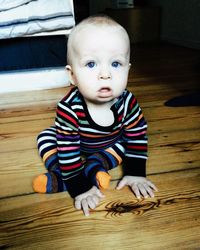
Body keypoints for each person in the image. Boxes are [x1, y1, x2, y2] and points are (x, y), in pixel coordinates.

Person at [33, 14, 157, 216]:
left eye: (116, 64)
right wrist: (79, 187)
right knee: (46, 137)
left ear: (128, 69)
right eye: (91, 64)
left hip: (110, 144)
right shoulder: (69, 108)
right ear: (72, 75)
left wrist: (136, 173)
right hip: (74, 146)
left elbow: (136, 136)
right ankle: (63, 174)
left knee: (126, 143)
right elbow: (68, 149)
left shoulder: (127, 102)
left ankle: (94, 165)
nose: (105, 74)